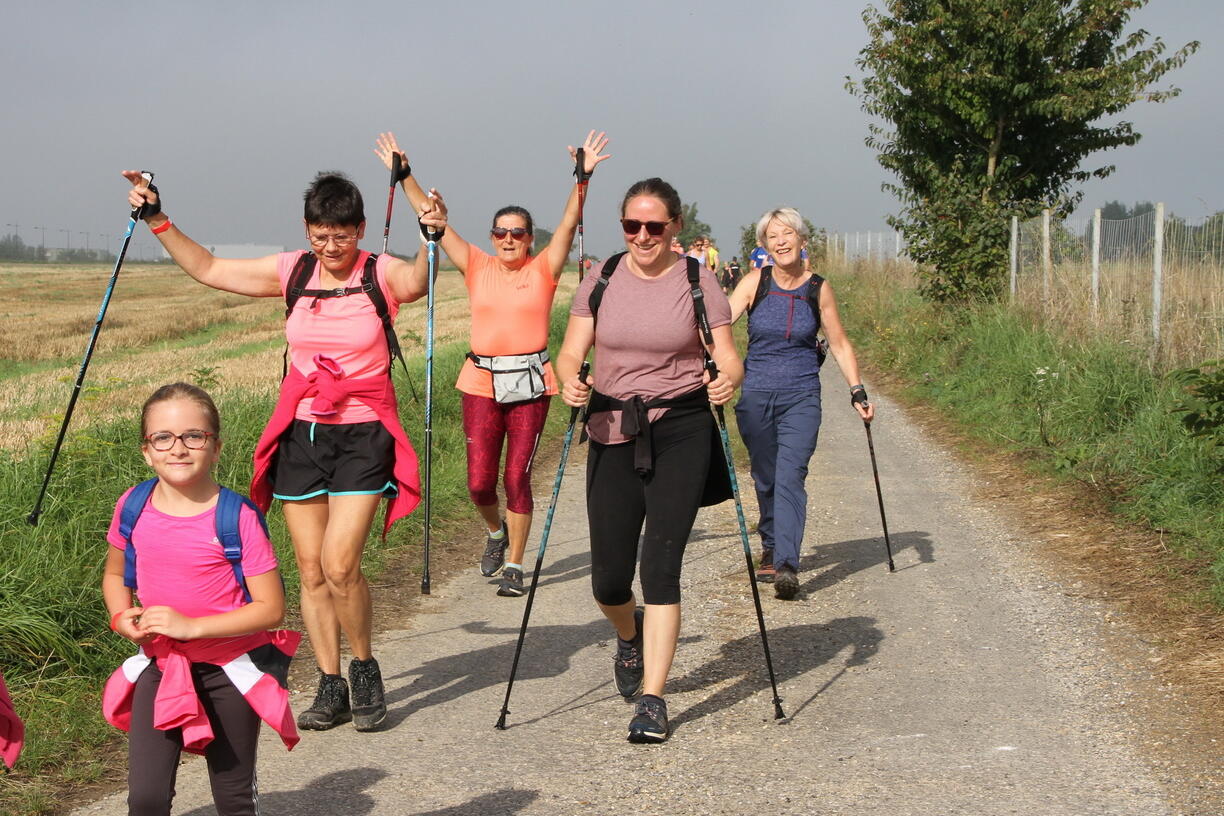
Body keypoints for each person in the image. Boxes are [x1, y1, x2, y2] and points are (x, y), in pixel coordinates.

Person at [123, 169, 434, 733]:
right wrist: (156, 218)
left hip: (364, 433)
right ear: (307, 229)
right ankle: (330, 682)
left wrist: (431, 233)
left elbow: (417, 279)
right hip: (302, 433)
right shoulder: (294, 271)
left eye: (341, 235)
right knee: (311, 570)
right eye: (320, 234)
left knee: (342, 564)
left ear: (360, 229)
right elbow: (210, 269)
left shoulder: (377, 273)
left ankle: (365, 667)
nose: (331, 247)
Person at [374, 131, 610, 598]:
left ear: (528, 239)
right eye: (500, 232)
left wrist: (582, 179)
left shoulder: (543, 269)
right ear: (491, 237)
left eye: (517, 233)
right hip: (480, 382)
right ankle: (496, 533)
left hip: (530, 383)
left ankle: (516, 566)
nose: (507, 239)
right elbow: (434, 221)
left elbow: (567, 224)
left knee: (516, 476)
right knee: (480, 483)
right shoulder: (476, 265)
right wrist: (405, 175)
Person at [556, 177, 742, 744]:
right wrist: (569, 381)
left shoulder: (696, 278)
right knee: (609, 582)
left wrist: (726, 382)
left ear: (674, 228)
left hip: (682, 426)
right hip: (612, 425)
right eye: (631, 226)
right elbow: (570, 353)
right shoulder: (602, 277)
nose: (642, 236)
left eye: (653, 227)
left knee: (660, 567)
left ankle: (653, 700)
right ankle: (629, 632)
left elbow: (728, 358)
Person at [101, 383, 297, 816]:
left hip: (231, 670)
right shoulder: (132, 506)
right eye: (163, 438)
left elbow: (271, 608)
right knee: (146, 799)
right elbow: (116, 574)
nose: (178, 448)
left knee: (232, 796)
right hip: (162, 665)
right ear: (146, 451)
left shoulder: (237, 517)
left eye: (194, 436)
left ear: (215, 447)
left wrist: (193, 627)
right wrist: (120, 615)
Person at [727, 208, 874, 600]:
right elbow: (719, 324)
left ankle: (787, 564)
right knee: (766, 476)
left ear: (802, 240)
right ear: (763, 246)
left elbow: (839, 343)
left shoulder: (818, 288)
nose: (781, 241)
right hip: (756, 394)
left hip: (802, 396)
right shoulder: (754, 283)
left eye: (787, 233)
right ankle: (772, 542)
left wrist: (857, 389)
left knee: (791, 475)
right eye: (772, 236)